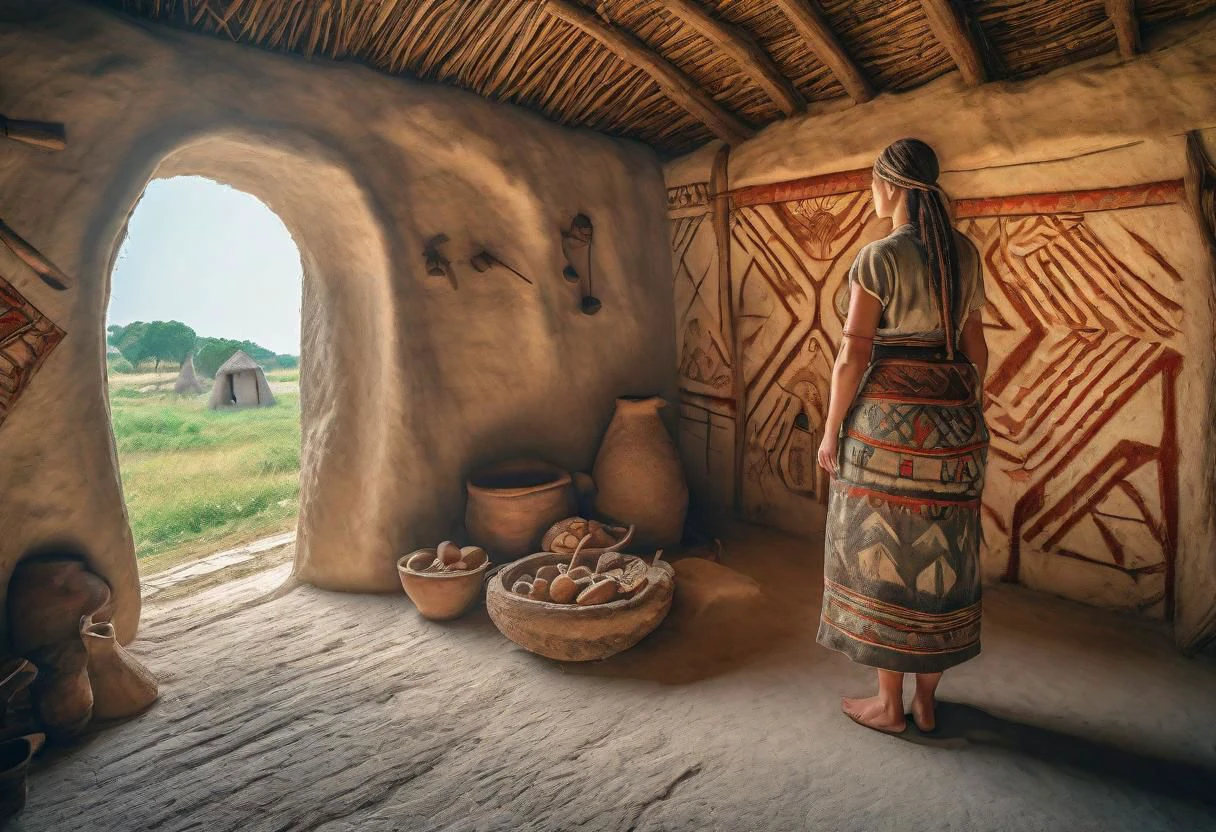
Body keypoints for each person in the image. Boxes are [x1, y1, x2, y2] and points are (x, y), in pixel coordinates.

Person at [815, 138, 990, 734]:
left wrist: (832, 430)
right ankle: (927, 701)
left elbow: (853, 355)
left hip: (884, 430)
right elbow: (976, 349)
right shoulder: (964, 254)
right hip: (956, 426)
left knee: (882, 554)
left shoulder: (878, 257)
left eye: (874, 184)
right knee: (946, 558)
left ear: (888, 186)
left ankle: (889, 706)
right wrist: (967, 415)